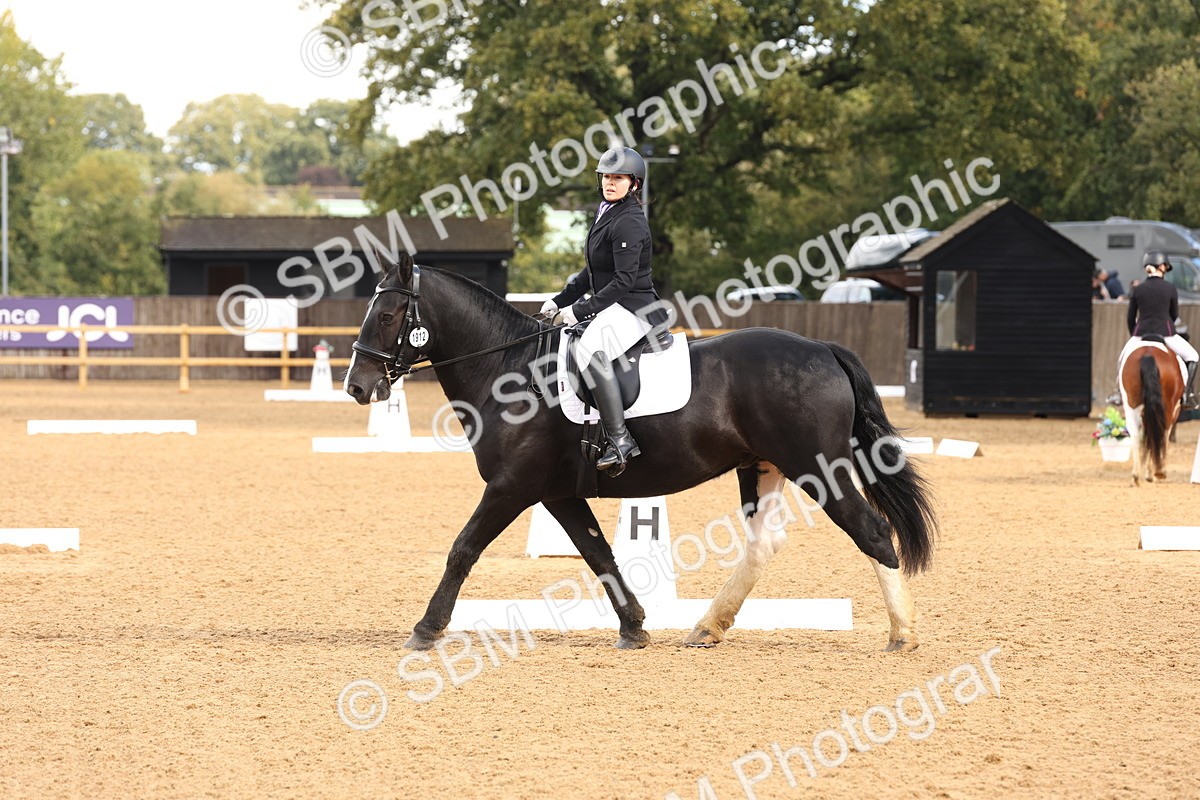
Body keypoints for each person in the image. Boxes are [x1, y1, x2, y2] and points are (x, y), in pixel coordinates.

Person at [540, 146, 670, 474]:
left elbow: (623, 281)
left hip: (635, 308)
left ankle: (621, 438)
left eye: (618, 178)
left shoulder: (629, 222)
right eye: (607, 177)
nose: (610, 183)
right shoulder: (607, 213)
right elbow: (591, 273)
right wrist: (560, 300)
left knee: (589, 350)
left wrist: (579, 311)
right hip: (616, 305)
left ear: (634, 184)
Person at [1124, 250, 1198, 408]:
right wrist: (1166, 325)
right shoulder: (1170, 288)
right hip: (1166, 334)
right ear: (1162, 267)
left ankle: (1118, 392)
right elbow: (1174, 314)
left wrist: (1135, 335)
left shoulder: (1138, 289)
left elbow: (1130, 318)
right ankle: (1187, 393)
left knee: (1122, 360)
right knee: (1193, 357)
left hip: (1140, 334)